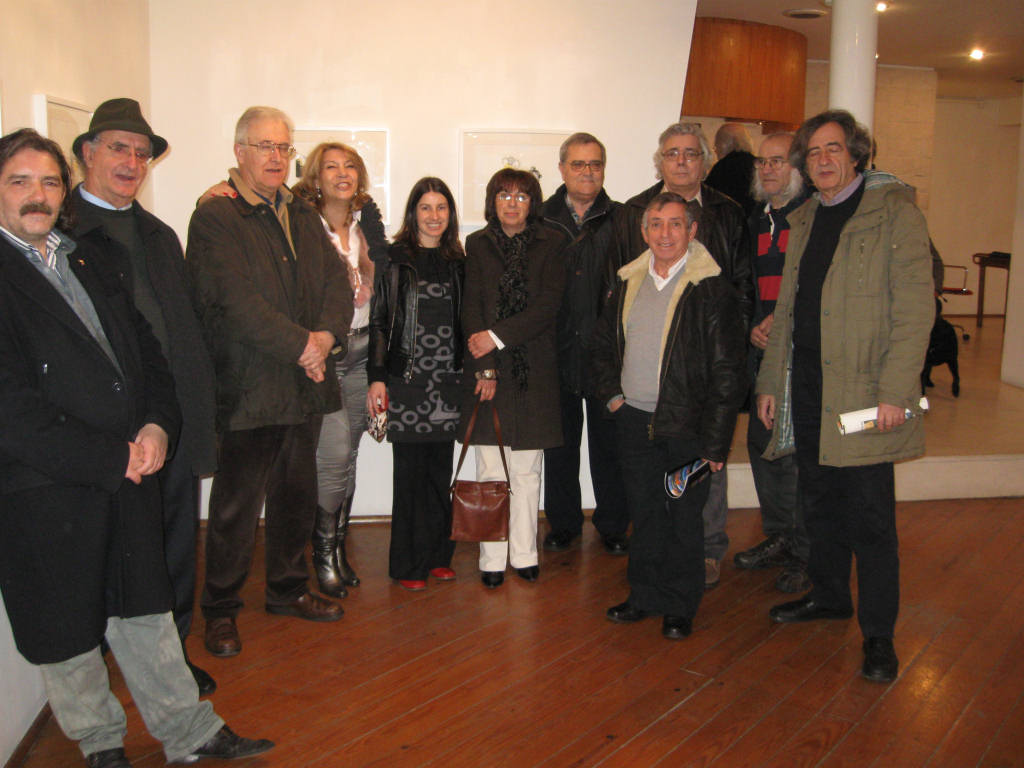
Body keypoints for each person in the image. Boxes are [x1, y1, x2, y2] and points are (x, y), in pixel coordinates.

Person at [0, 128, 272, 768]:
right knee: (66, 627)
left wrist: (156, 426)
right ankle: (100, 745)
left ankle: (190, 732)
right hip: (44, 487)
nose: (38, 195)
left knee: (145, 609)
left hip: (127, 471)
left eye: (48, 182)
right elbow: (11, 409)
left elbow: (148, 352)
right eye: (19, 181)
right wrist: (110, 457)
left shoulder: (86, 257)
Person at [755, 109, 933, 683]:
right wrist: (770, 382)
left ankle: (879, 635)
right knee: (820, 503)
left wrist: (895, 393)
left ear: (857, 154)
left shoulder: (895, 213)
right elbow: (786, 310)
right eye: (813, 152)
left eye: (833, 148)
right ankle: (830, 595)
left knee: (871, 519)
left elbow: (915, 312)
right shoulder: (806, 216)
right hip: (808, 386)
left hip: (864, 394)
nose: (823, 159)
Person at [188, 106, 352, 659]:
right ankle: (219, 610)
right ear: (240, 152)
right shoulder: (216, 216)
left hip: (304, 386)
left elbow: (336, 282)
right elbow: (233, 301)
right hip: (250, 387)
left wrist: (325, 338)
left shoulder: (301, 213)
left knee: (295, 496)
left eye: (284, 147)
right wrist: (304, 346)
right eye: (265, 146)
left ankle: (286, 589)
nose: (276, 157)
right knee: (235, 508)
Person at [69, 98, 218, 696]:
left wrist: (195, 417)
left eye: (140, 152)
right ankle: (108, 668)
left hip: (171, 416)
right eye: (118, 148)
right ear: (88, 153)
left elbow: (182, 332)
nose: (131, 162)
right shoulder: (64, 233)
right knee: (109, 551)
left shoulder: (159, 235)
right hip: (106, 427)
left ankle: (172, 661)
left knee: (175, 543)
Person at [592, 193, 746, 640]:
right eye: (656, 224)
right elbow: (603, 347)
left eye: (675, 224)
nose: (665, 233)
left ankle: (680, 604)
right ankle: (644, 595)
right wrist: (613, 397)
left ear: (692, 230)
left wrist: (715, 444)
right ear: (644, 232)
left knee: (683, 517)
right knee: (644, 514)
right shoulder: (628, 281)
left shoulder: (712, 289)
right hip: (634, 422)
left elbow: (728, 373)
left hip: (687, 429)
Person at [617, 122, 753, 590]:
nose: (681, 161)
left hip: (701, 371)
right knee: (650, 489)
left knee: (701, 477)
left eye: (691, 153)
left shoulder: (729, 213)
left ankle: (707, 551)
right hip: (647, 384)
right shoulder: (635, 210)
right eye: (672, 153)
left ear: (705, 162)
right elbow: (621, 290)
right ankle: (654, 566)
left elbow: (742, 284)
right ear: (660, 162)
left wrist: (730, 349)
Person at [290, 142, 389, 598]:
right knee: (331, 458)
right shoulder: (302, 224)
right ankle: (323, 554)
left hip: (363, 350)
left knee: (350, 455)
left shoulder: (367, 224)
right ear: (315, 177)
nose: (342, 173)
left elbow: (385, 279)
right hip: (326, 355)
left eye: (350, 166)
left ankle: (338, 547)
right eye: (331, 167)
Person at [462, 167, 567, 589]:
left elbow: (548, 307)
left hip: (534, 371)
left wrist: (497, 336)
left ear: (532, 203)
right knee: (491, 469)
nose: (512, 203)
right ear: (493, 201)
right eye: (504, 195)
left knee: (526, 471)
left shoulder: (553, 243)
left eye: (521, 196)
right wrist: (486, 365)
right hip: (490, 370)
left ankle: (524, 554)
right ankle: (491, 557)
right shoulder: (477, 244)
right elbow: (472, 308)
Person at [367, 177, 465, 590]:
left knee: (439, 475)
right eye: (426, 207)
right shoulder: (395, 260)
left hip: (447, 382)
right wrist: (376, 378)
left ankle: (439, 556)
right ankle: (408, 564)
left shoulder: (459, 261)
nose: (434, 216)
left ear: (450, 214)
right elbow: (378, 322)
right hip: (406, 380)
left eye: (441, 207)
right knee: (409, 477)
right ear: (413, 213)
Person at [540, 133, 629, 556]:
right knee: (559, 449)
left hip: (607, 354)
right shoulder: (542, 218)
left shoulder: (623, 218)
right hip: (554, 351)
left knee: (610, 448)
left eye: (595, 164)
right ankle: (563, 524)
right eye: (578, 164)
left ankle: (613, 524)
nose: (587, 172)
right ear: (562, 169)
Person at [733, 132, 811, 594]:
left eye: (778, 161)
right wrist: (751, 326)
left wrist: (781, 325)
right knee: (762, 444)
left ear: (798, 167)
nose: (768, 169)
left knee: (797, 453)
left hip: (802, 353)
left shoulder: (813, 217)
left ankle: (805, 552)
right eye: (762, 162)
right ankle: (780, 536)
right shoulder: (755, 221)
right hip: (761, 352)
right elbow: (745, 284)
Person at [705, 122, 757, 217]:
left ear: (723, 144)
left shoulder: (722, 168)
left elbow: (707, 199)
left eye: (716, 146)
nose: (716, 151)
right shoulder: (759, 165)